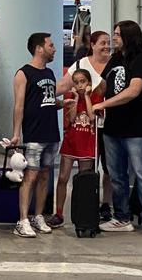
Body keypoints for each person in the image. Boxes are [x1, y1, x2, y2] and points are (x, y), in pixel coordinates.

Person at [92, 20, 142, 238]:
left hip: (137, 127)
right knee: (116, 175)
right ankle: (122, 217)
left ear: (129, 36)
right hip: (113, 127)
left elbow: (133, 91)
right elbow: (105, 84)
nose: (114, 38)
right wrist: (86, 90)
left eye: (118, 34)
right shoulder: (116, 58)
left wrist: (103, 104)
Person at [10, 33, 65, 238]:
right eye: (51, 45)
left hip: (51, 132)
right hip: (34, 132)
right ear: (39, 48)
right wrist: (17, 133)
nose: (54, 48)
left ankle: (38, 215)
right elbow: (19, 105)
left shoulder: (50, 73)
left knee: (44, 174)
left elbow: (48, 100)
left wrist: (62, 104)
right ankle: (22, 219)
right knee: (30, 175)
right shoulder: (23, 74)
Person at [48, 67, 102, 229]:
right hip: (71, 142)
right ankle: (59, 213)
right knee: (63, 177)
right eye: (76, 82)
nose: (79, 85)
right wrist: (77, 98)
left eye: (83, 82)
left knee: (83, 180)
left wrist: (86, 96)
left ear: (89, 83)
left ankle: (82, 214)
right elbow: (71, 119)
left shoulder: (96, 96)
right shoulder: (71, 97)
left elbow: (92, 117)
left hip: (87, 143)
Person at [72, 29, 113, 220]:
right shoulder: (82, 64)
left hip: (110, 123)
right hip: (88, 126)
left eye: (108, 42)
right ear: (93, 45)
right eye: (102, 43)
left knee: (109, 166)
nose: (106, 46)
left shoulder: (116, 63)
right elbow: (66, 84)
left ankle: (106, 203)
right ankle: (88, 201)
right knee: (89, 166)